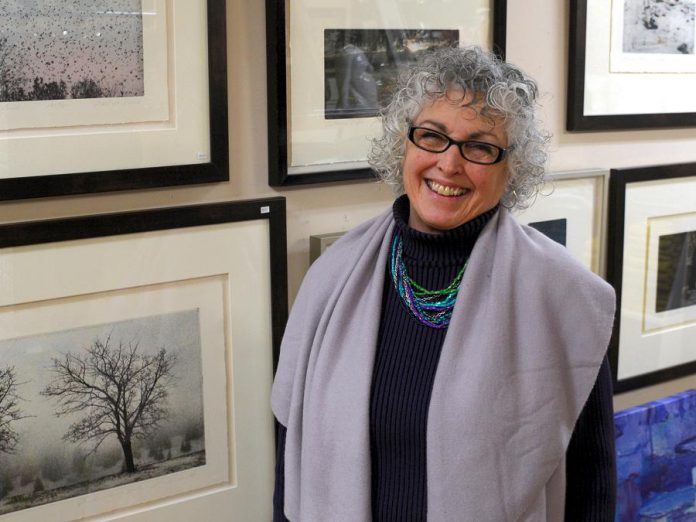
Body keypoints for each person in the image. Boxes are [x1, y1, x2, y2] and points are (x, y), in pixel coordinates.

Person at [272, 45, 616, 521]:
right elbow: (292, 458)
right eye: (432, 136)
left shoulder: (566, 297)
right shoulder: (332, 279)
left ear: (511, 167)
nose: (449, 165)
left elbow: (590, 485)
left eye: (479, 147)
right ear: (404, 145)